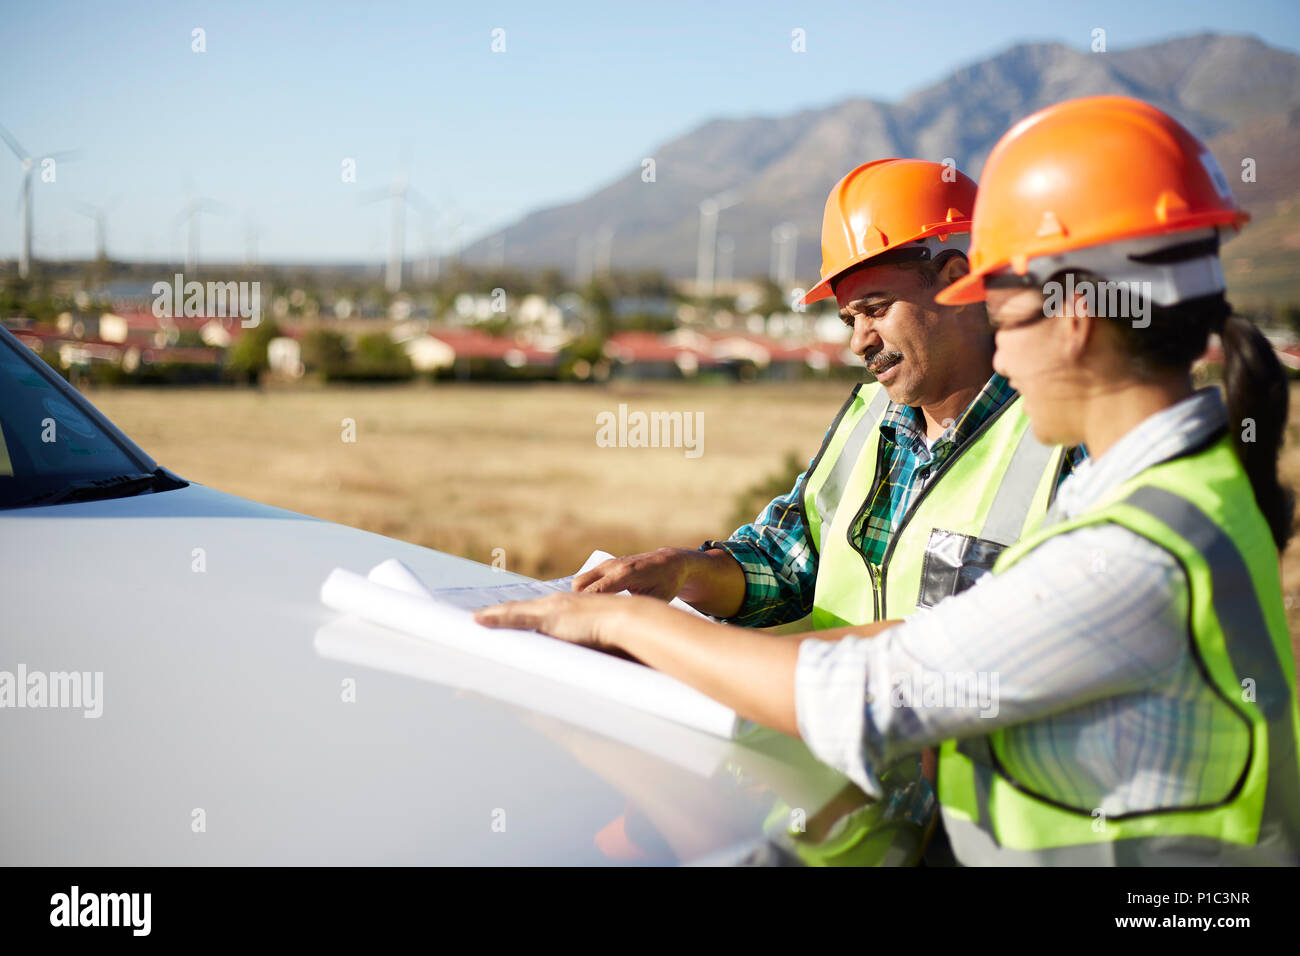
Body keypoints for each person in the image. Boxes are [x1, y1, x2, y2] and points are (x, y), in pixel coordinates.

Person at [476, 96, 1300, 865]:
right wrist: (685, 586)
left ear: (1073, 319)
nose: (1005, 355)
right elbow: (847, 598)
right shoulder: (1159, 496)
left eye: (1006, 317)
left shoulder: (1132, 543)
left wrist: (622, 631)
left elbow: (879, 688)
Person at [574, 159, 1081, 632]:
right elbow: (785, 560)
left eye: (877, 309)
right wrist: (685, 570)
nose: (859, 340)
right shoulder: (868, 421)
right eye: (849, 320)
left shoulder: (1066, 440)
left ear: (957, 282)